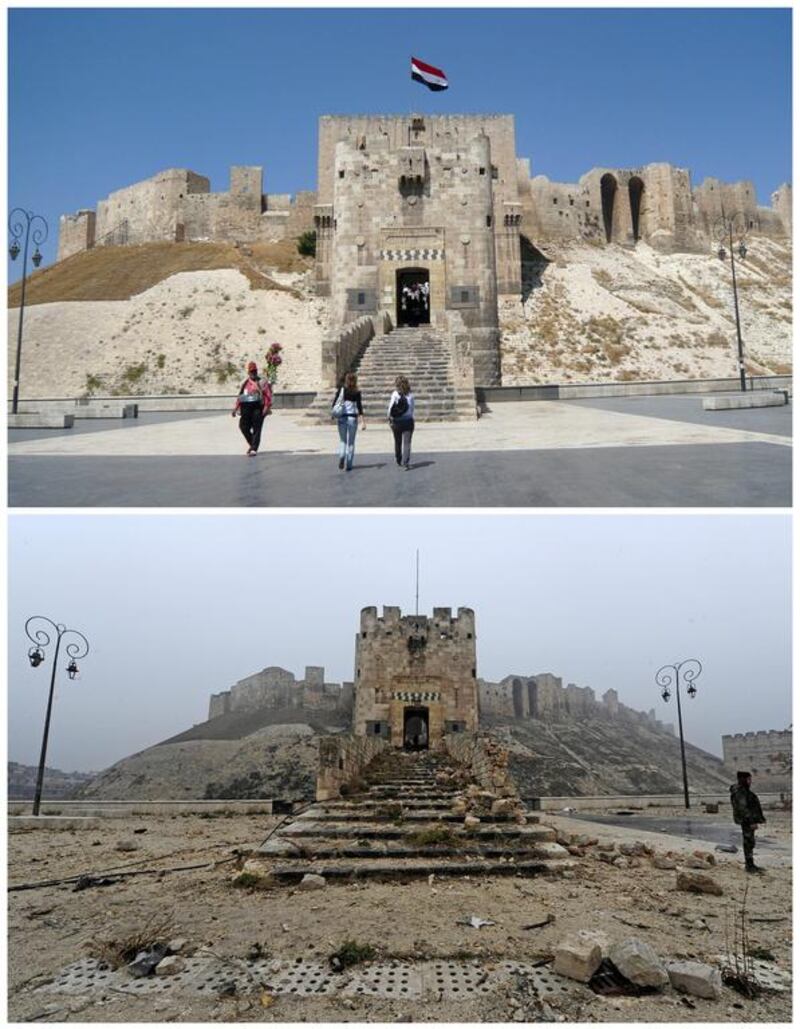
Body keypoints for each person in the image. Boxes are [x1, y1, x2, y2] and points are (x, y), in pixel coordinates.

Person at [232, 361, 272, 456]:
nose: (253, 373)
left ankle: (254, 448)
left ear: (257, 371)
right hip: (246, 408)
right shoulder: (245, 383)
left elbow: (268, 395)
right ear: (248, 372)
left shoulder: (262, 382)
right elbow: (240, 396)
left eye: (254, 371)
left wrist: (266, 407)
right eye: (251, 371)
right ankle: (252, 444)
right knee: (243, 426)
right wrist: (235, 408)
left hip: (258, 407)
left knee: (257, 428)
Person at [730, 770, 766, 873]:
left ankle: (750, 864)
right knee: (748, 841)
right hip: (747, 820)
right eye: (748, 779)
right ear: (743, 780)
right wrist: (751, 821)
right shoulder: (740, 792)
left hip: (747, 820)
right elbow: (743, 809)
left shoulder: (743, 791)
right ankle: (749, 865)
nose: (750, 781)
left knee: (750, 841)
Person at [332, 372, 365, 471]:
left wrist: (333, 414)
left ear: (346, 380)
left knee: (343, 440)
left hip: (342, 417)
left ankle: (342, 455)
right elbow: (359, 407)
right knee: (351, 442)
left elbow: (335, 402)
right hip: (352, 418)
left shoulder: (341, 390)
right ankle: (349, 464)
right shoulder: (357, 392)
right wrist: (363, 421)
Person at [388, 375, 415, 469]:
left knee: (397, 441)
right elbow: (412, 409)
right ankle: (405, 462)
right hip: (408, 421)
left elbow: (390, 408)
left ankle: (398, 459)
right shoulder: (410, 395)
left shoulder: (395, 394)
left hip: (397, 422)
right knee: (407, 443)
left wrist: (389, 419)